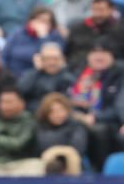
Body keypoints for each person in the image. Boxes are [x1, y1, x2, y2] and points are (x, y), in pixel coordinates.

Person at [68, 39, 124, 168]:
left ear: (112, 56)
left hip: (108, 120)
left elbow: (119, 105)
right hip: (77, 116)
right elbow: (65, 96)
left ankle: (101, 170)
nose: (99, 56)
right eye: (94, 52)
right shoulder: (78, 73)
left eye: (104, 52)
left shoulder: (119, 74)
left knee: (99, 130)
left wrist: (96, 117)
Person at [0, 88, 38, 164]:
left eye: (9, 102)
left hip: (20, 163)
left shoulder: (28, 120)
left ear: (21, 103)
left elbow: (19, 144)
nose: (4, 106)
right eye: (2, 102)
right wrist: (4, 147)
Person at [65, 0, 124, 71]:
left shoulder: (120, 29)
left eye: (101, 10)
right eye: (95, 10)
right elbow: (68, 51)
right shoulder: (79, 28)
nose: (97, 14)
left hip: (113, 72)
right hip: (79, 70)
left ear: (111, 10)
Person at [2, 6, 63, 77]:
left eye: (47, 22)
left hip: (38, 78)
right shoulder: (18, 33)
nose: (44, 25)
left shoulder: (55, 37)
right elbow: (4, 55)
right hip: (13, 75)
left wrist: (43, 37)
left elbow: (49, 57)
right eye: (41, 21)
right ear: (31, 21)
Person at [18, 42, 75, 111]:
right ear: (41, 59)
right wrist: (36, 71)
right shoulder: (31, 75)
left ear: (61, 59)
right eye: (48, 59)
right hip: (34, 114)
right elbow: (20, 91)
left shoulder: (67, 77)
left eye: (55, 59)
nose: (52, 62)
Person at [35, 92, 88, 160]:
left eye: (61, 110)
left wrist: (56, 151)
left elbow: (79, 149)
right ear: (46, 113)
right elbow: (42, 146)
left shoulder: (76, 125)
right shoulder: (40, 126)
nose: (58, 114)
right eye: (53, 111)